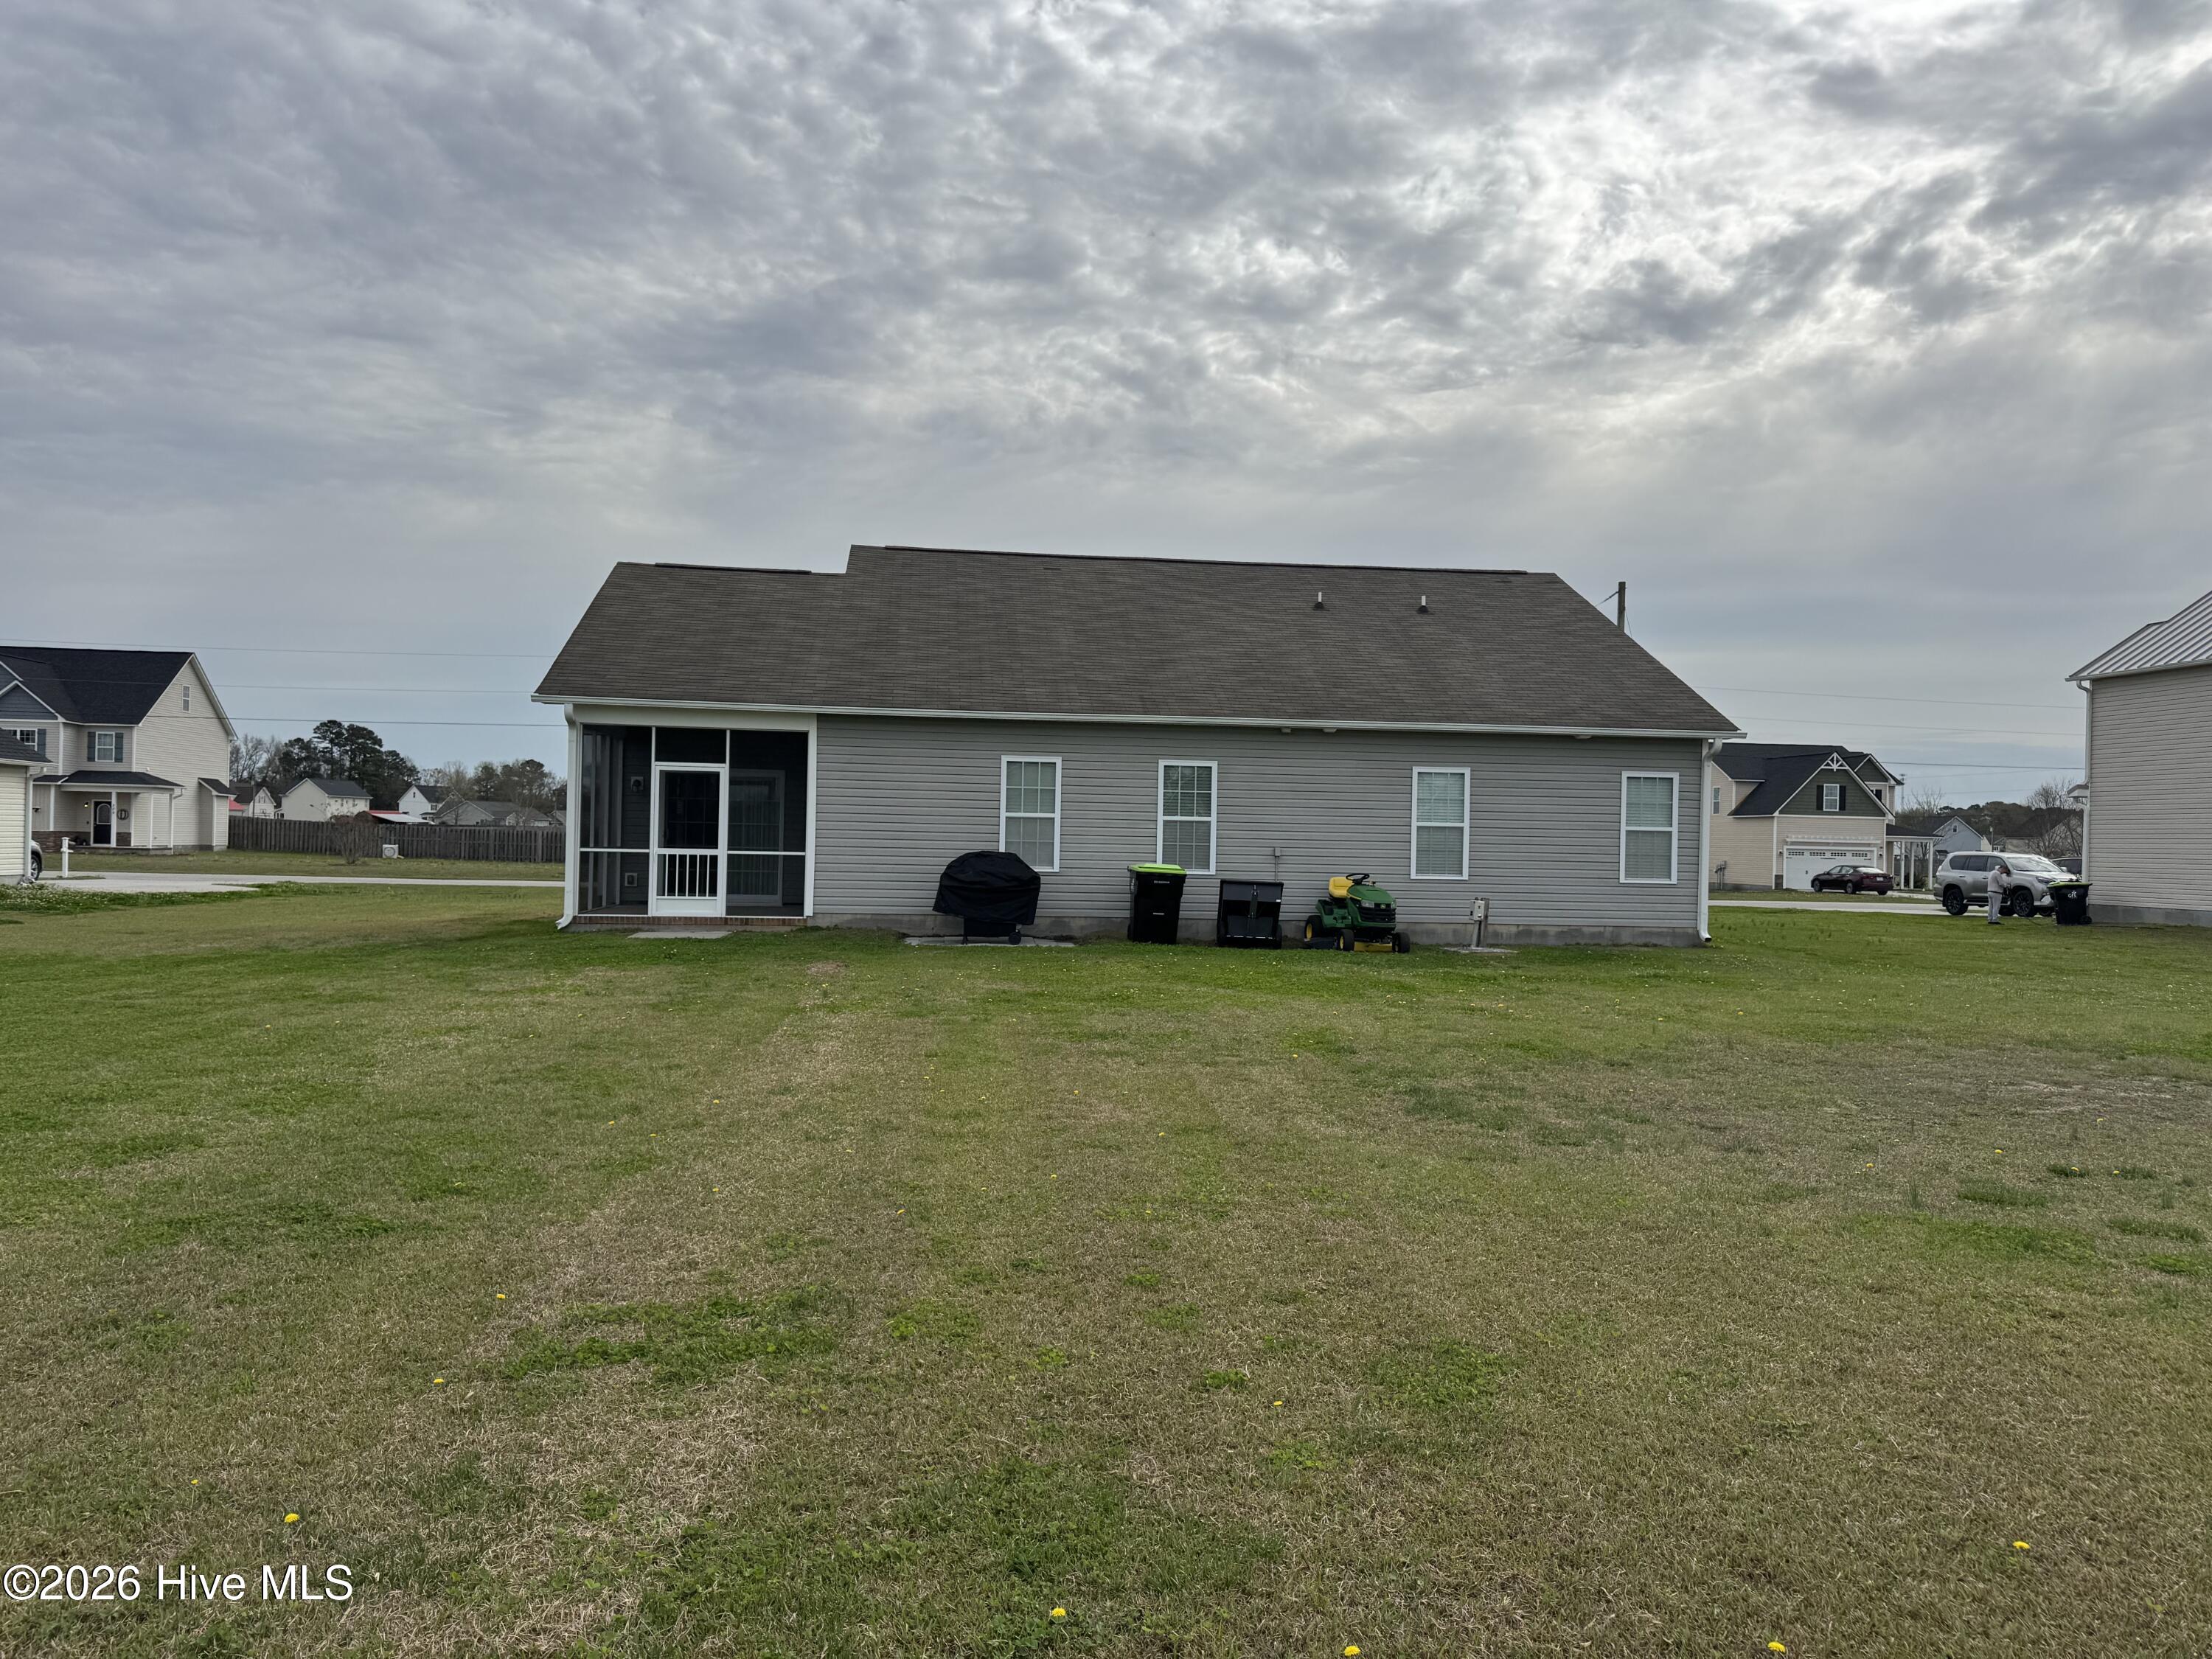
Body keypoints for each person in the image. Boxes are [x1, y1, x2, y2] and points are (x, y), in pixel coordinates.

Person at [1986, 856, 2010, 925]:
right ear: (2002, 869)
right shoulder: (1997, 873)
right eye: (2005, 871)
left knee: (1991, 906)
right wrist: (2007, 886)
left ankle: (1990, 919)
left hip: (1990, 891)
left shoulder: (1991, 873)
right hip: (1996, 892)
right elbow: (2001, 883)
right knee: (1996, 906)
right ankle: (1995, 919)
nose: (2005, 873)